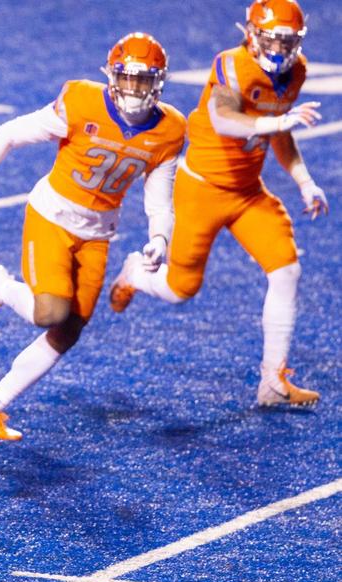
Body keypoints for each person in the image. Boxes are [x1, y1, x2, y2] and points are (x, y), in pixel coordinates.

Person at [0, 33, 185, 440]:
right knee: (49, 312)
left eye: (143, 80)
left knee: (68, 330)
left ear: (157, 83)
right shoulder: (83, 101)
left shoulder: (169, 129)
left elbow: (160, 198)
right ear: (112, 77)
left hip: (99, 231)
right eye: (127, 78)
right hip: (52, 215)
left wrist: (159, 237)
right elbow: (10, 132)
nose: (134, 89)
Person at [109, 0, 326, 407]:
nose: (279, 50)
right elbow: (225, 119)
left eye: (286, 41)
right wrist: (278, 122)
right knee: (180, 290)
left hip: (247, 192)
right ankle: (136, 274)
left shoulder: (296, 72)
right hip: (202, 189)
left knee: (286, 270)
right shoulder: (232, 64)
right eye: (271, 39)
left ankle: (272, 381)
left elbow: (280, 134)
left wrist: (304, 180)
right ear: (251, 34)